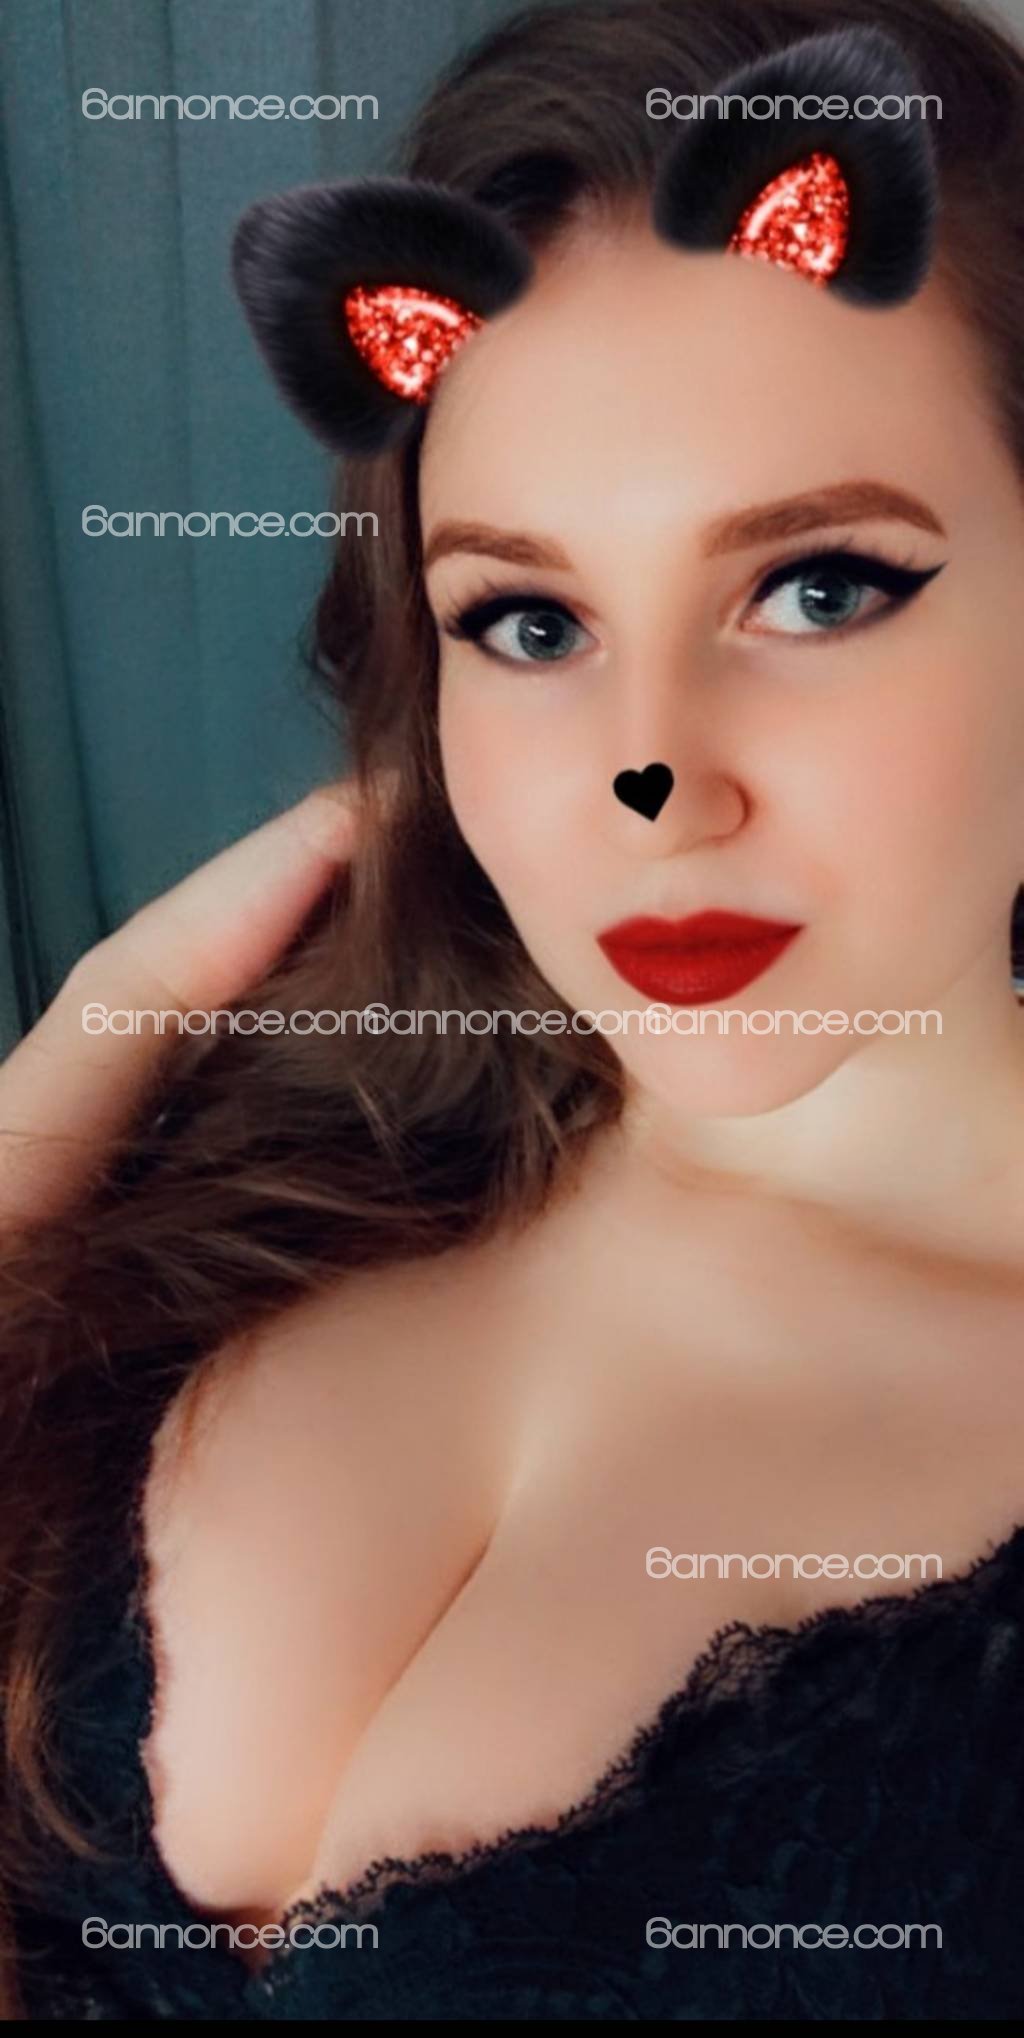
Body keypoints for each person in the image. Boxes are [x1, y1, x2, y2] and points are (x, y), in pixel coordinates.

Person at [3, 0, 1024, 2018]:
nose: (651, 779)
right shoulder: (259, 1165)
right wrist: (75, 1077)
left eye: (816, 587)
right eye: (529, 620)